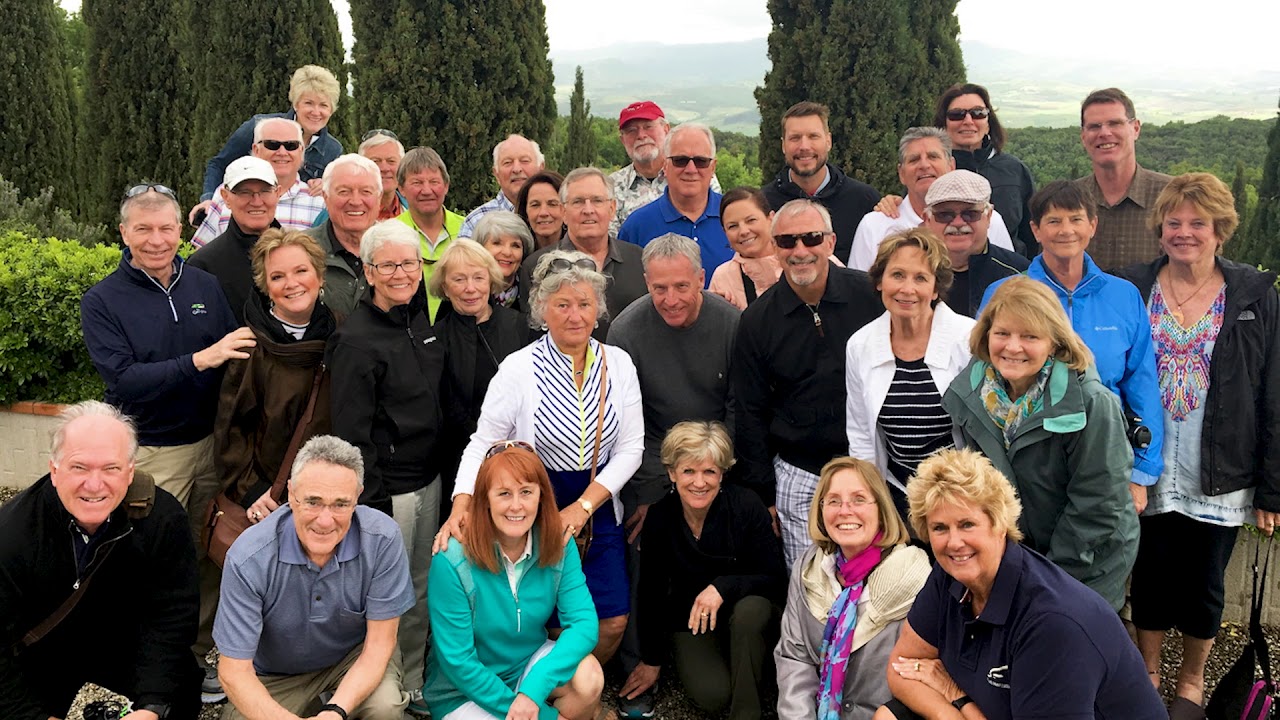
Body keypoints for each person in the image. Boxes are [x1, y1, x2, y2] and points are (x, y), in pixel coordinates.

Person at [1113, 172, 1280, 718]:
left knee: (1205, 584)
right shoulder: (1133, 288)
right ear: (1160, 228)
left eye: (1198, 223)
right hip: (1148, 465)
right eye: (1174, 222)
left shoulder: (1254, 295)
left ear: (1220, 230)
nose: (1184, 232)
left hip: (1221, 468)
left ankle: (1191, 681)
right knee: (1150, 574)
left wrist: (1272, 488)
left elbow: (1273, 389)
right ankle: (1147, 672)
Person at [436, 250, 644, 665]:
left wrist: (583, 507)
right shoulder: (519, 369)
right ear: (542, 310)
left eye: (584, 304)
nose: (575, 315)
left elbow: (631, 448)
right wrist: (462, 502)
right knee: (547, 622)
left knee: (611, 620)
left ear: (598, 310)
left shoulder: (618, 364)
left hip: (597, 500)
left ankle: (574, 687)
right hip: (533, 499)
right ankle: (544, 691)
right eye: (562, 305)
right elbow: (483, 443)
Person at [876, 448, 1166, 720]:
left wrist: (957, 696)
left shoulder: (1051, 623)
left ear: (999, 523)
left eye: (967, 524)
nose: (954, 542)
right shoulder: (951, 574)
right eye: (940, 528)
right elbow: (901, 667)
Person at [940, 276, 1137, 610]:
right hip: (1017, 556)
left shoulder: (1091, 403)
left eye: (1030, 336)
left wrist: (1048, 578)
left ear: (1055, 342)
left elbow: (1099, 505)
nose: (1013, 347)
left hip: (1086, 559)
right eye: (1002, 333)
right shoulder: (971, 394)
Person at [607, 234, 740, 716]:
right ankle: (639, 664)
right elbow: (627, 422)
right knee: (641, 544)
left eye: (682, 286)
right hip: (653, 461)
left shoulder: (729, 323)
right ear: (645, 282)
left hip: (719, 459)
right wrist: (654, 490)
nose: (670, 299)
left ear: (701, 278)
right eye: (659, 288)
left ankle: (729, 651)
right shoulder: (626, 329)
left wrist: (711, 472)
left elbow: (738, 406)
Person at [0, 401, 201, 720]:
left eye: (111, 468)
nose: (94, 485)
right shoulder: (11, 534)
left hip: (120, 637)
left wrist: (153, 705)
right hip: (43, 647)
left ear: (130, 471)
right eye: (79, 467)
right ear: (54, 470)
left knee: (183, 688)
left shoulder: (162, 518)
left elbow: (172, 614)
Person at [980, 180, 1163, 511]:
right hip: (1021, 465)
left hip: (1105, 459)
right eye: (1053, 220)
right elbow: (982, 379)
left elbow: (1142, 385)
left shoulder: (1123, 296)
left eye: (1076, 219)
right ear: (1036, 230)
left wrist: (1141, 472)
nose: (1066, 230)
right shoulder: (1003, 293)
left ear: (1092, 225)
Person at [81, 185, 253, 516]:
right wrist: (199, 360)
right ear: (124, 233)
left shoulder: (204, 284)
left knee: (208, 537)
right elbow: (124, 379)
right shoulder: (101, 300)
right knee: (155, 539)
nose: (156, 241)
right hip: (153, 451)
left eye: (165, 228)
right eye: (143, 229)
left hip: (213, 445)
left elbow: (233, 353)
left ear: (179, 230)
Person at [214, 435, 414, 720]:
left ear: (358, 496)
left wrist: (335, 711)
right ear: (291, 494)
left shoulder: (383, 539)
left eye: (340, 504)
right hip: (275, 675)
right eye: (313, 502)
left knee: (385, 707)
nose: (325, 520)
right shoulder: (248, 558)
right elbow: (234, 671)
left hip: (353, 660)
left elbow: (380, 644)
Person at [733, 199, 881, 567]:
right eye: (787, 241)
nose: (800, 251)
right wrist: (763, 493)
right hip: (800, 471)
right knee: (809, 581)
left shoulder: (871, 297)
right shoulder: (757, 321)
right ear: (775, 247)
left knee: (876, 580)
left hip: (871, 465)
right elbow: (750, 410)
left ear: (831, 242)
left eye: (811, 238)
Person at [424, 442, 604, 720]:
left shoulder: (558, 541)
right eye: (504, 493)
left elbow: (583, 623)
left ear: (541, 496)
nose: (516, 505)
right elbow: (458, 662)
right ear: (484, 499)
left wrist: (533, 690)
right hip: (462, 692)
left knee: (589, 677)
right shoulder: (451, 558)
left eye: (526, 492)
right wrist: (546, 718)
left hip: (526, 666)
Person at [620, 422, 786, 720]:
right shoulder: (659, 517)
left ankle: (746, 713)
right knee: (712, 695)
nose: (699, 482)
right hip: (692, 619)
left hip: (749, 613)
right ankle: (740, 672)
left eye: (709, 471)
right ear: (672, 473)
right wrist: (651, 660)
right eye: (688, 471)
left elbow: (774, 578)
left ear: (722, 473)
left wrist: (723, 587)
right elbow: (651, 591)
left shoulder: (746, 505)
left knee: (751, 612)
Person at [775, 456, 931, 720]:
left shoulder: (915, 577)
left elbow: (926, 675)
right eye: (833, 501)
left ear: (881, 508)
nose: (845, 511)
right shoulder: (809, 568)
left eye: (859, 499)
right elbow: (795, 657)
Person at [845, 228, 973, 521]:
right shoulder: (860, 345)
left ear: (936, 289)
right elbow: (861, 434)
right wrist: (872, 501)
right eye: (897, 275)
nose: (907, 288)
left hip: (961, 492)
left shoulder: (968, 338)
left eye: (920, 278)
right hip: (896, 493)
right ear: (880, 281)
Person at [214, 229, 336, 518]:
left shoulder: (342, 336)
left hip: (330, 492)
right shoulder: (250, 349)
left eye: (301, 271)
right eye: (278, 276)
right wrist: (252, 492)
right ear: (266, 287)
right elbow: (231, 431)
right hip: (270, 499)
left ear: (320, 276)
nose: (291, 283)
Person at [430, 238, 535, 511]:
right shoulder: (434, 338)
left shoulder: (520, 327)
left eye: (478, 277)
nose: (470, 288)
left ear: (491, 280)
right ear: (445, 287)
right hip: (456, 464)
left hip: (518, 461)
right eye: (459, 279)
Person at [191, 65, 342, 223]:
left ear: (332, 110)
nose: (316, 112)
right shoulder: (260, 127)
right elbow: (219, 164)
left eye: (323, 105)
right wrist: (208, 200)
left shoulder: (333, 150)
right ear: (296, 104)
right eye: (309, 103)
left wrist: (326, 185)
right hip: (249, 211)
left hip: (294, 220)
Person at [849, 128, 1014, 271]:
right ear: (901, 173)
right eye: (914, 159)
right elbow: (859, 288)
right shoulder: (874, 226)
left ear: (951, 166)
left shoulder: (988, 220)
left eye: (933, 157)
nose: (924, 165)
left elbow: (1008, 276)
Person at [521, 167, 647, 340]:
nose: (588, 210)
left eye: (597, 201)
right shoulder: (538, 267)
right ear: (563, 212)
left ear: (612, 208)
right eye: (578, 202)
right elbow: (533, 335)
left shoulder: (639, 260)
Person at [762, 101, 880, 264]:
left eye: (813, 136)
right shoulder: (763, 204)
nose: (804, 146)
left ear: (828, 141)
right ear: (783, 145)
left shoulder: (864, 200)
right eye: (795, 138)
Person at [1072, 88, 1172, 270]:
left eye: (1115, 123)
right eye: (1094, 126)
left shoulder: (1172, 196)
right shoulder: (1070, 200)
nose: (1104, 133)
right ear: (1083, 137)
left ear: (1135, 129)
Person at [618, 123, 733, 280]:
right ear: (665, 166)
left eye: (701, 161)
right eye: (680, 160)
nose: (691, 169)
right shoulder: (636, 227)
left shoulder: (735, 218)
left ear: (713, 167)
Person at [934, 84, 1037, 256]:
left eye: (978, 113)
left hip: (1010, 269)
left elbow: (1033, 232)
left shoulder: (1014, 170)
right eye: (957, 115)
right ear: (943, 124)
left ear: (988, 123)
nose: (968, 121)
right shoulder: (933, 172)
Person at [192, 117, 326, 246]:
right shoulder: (228, 193)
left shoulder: (318, 201)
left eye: (291, 145)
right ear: (256, 149)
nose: (282, 152)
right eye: (272, 145)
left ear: (301, 151)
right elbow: (203, 253)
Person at [188, 156, 282, 324]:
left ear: (278, 193)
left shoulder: (300, 254)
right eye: (244, 192)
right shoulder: (204, 265)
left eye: (265, 191)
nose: (257, 201)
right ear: (225, 197)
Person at [921, 170, 1028, 317]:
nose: (958, 223)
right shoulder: (908, 272)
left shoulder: (1019, 274)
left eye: (970, 214)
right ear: (927, 220)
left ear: (988, 216)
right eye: (945, 215)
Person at [609, 101, 724, 236]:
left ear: (666, 129)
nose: (641, 135)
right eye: (631, 131)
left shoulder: (698, 176)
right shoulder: (611, 187)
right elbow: (612, 242)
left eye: (648, 127)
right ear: (622, 140)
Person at [303, 153, 384, 317]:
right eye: (344, 191)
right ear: (325, 197)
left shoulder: (399, 249)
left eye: (366, 191)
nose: (355, 201)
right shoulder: (301, 250)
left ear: (379, 198)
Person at [396, 146, 467, 322]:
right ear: (401, 188)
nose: (427, 190)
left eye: (434, 182)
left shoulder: (467, 230)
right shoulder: (390, 234)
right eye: (417, 183)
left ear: (446, 186)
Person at [311, 130, 407, 225]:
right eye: (375, 161)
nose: (384, 168)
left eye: (391, 161)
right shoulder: (333, 215)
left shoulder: (413, 210)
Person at [460, 134, 546, 239]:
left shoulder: (557, 215)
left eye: (525, 161)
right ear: (496, 174)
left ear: (541, 168)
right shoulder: (475, 223)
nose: (517, 169)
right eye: (507, 163)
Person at [710, 187, 782, 309]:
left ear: (771, 218)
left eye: (751, 220)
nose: (743, 231)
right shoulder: (723, 277)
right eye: (733, 226)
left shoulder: (795, 261)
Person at [472, 210, 535, 310]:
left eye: (515, 245)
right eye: (497, 243)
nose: (507, 252)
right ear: (480, 247)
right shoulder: (467, 290)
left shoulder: (533, 289)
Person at [515, 170, 566, 250]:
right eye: (535, 205)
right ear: (525, 211)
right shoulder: (516, 253)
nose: (543, 213)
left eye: (552, 204)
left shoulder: (582, 252)